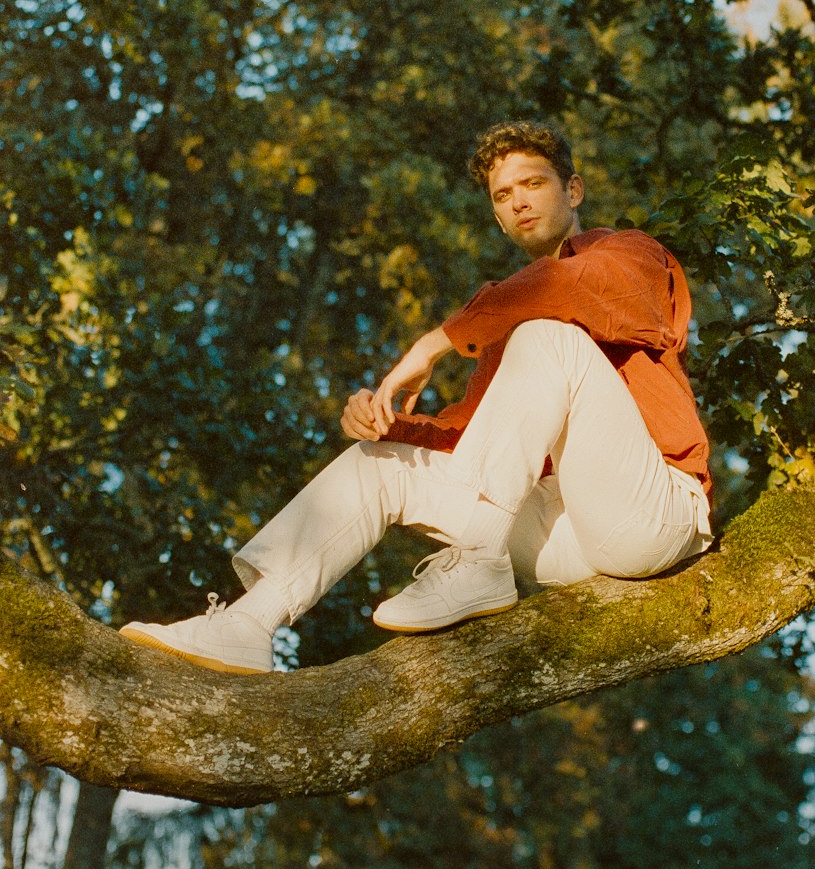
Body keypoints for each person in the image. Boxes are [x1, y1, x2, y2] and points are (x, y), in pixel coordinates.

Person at [121, 120, 713, 674]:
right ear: (497, 215)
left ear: (574, 189)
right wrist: (390, 427)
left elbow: (574, 290)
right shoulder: (506, 323)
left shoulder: (631, 255)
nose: (520, 201)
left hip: (652, 514)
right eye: (503, 196)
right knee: (381, 465)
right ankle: (250, 624)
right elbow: (476, 442)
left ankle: (476, 561)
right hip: (563, 538)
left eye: (533, 183)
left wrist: (435, 343)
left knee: (548, 335)